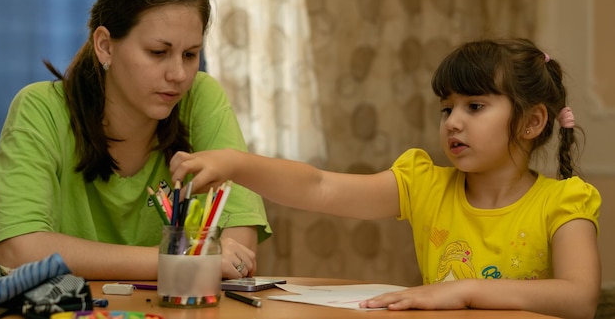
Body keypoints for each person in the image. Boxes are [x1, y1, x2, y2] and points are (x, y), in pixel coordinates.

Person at [168, 38, 601, 319]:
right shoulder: (423, 184)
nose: (453, 122)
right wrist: (235, 163)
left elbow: (579, 298)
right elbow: (320, 186)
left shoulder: (565, 201)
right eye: (447, 108)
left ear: (531, 122)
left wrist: (464, 291)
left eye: (476, 106)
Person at [0, 0, 271, 280]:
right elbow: (16, 250)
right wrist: (174, 260)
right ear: (106, 46)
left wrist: (206, 259)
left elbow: (238, 247)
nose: (179, 74)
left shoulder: (201, 97)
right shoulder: (40, 109)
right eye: (158, 53)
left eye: (190, 54)